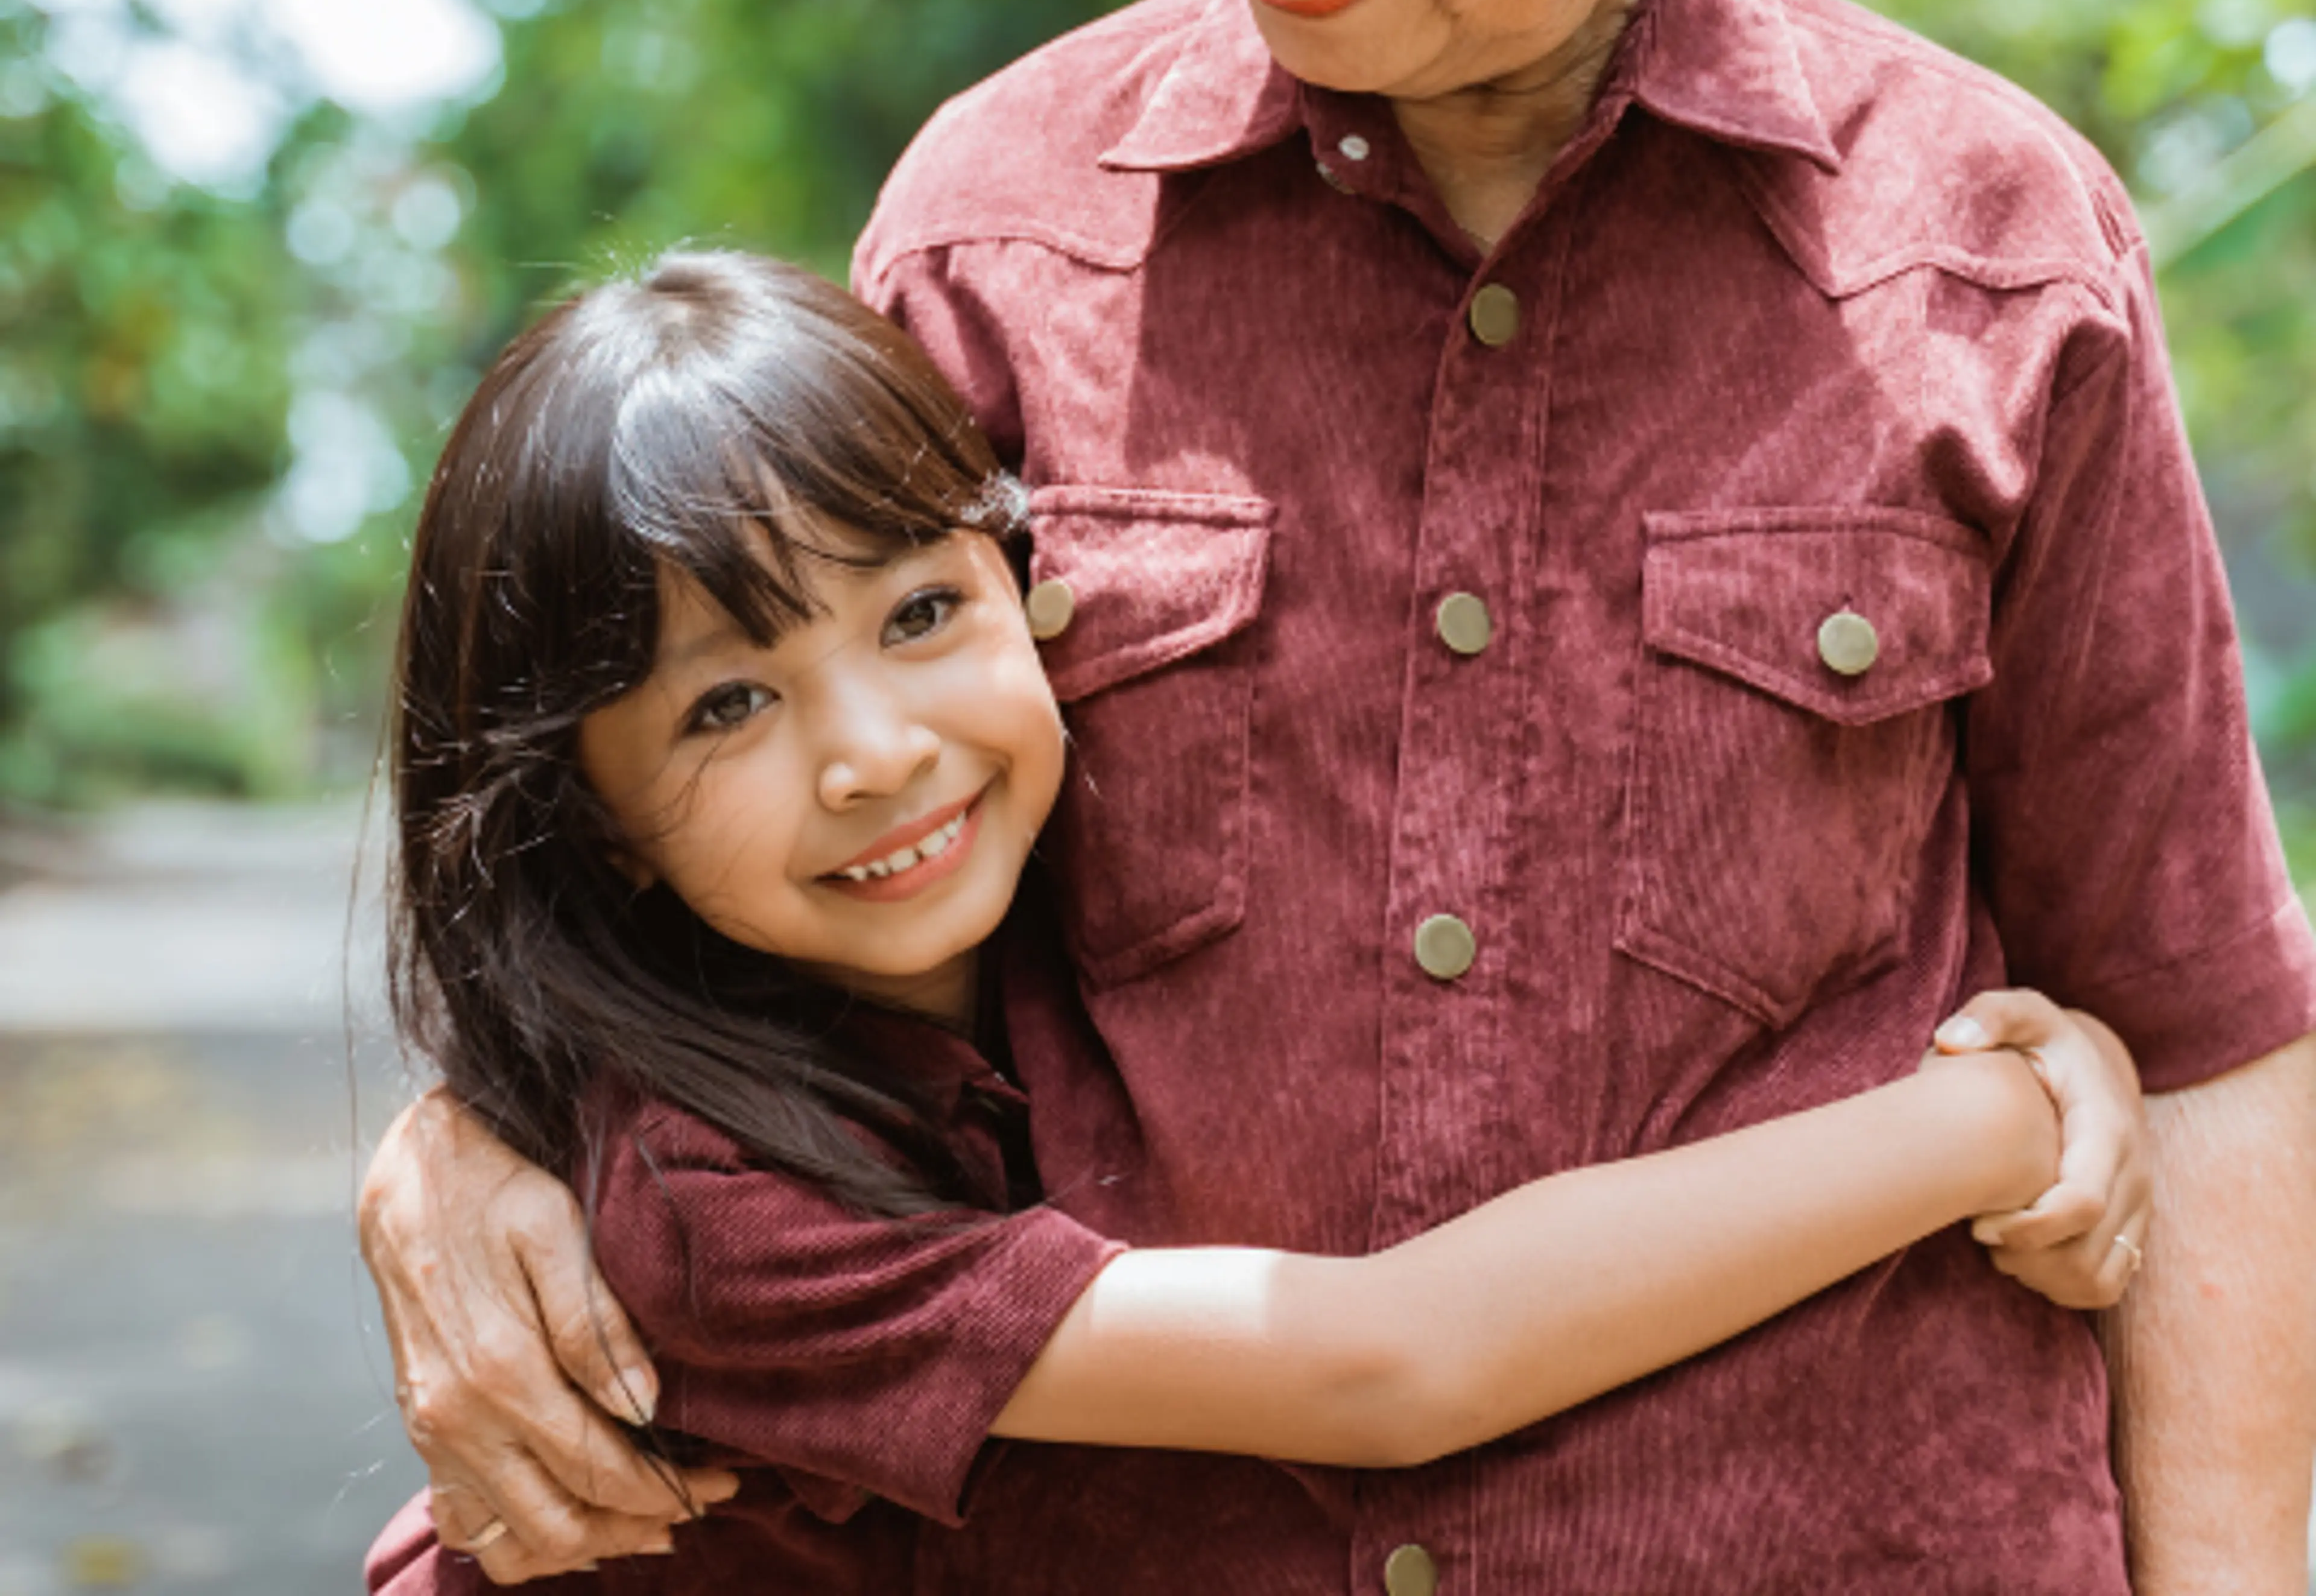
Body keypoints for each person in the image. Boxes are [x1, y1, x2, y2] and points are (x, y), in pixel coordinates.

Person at [362, 0, 2316, 1589]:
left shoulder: (1988, 257)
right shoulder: (995, 236)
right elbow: (763, 897)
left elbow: (2201, 1035)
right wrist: (484, 1138)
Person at [363, 250, 2142, 1594]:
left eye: (917, 615)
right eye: (725, 708)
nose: (874, 753)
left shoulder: (1056, 900)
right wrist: (1980, 1124)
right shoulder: (708, 1207)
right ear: (591, 831)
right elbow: (1388, 1364)